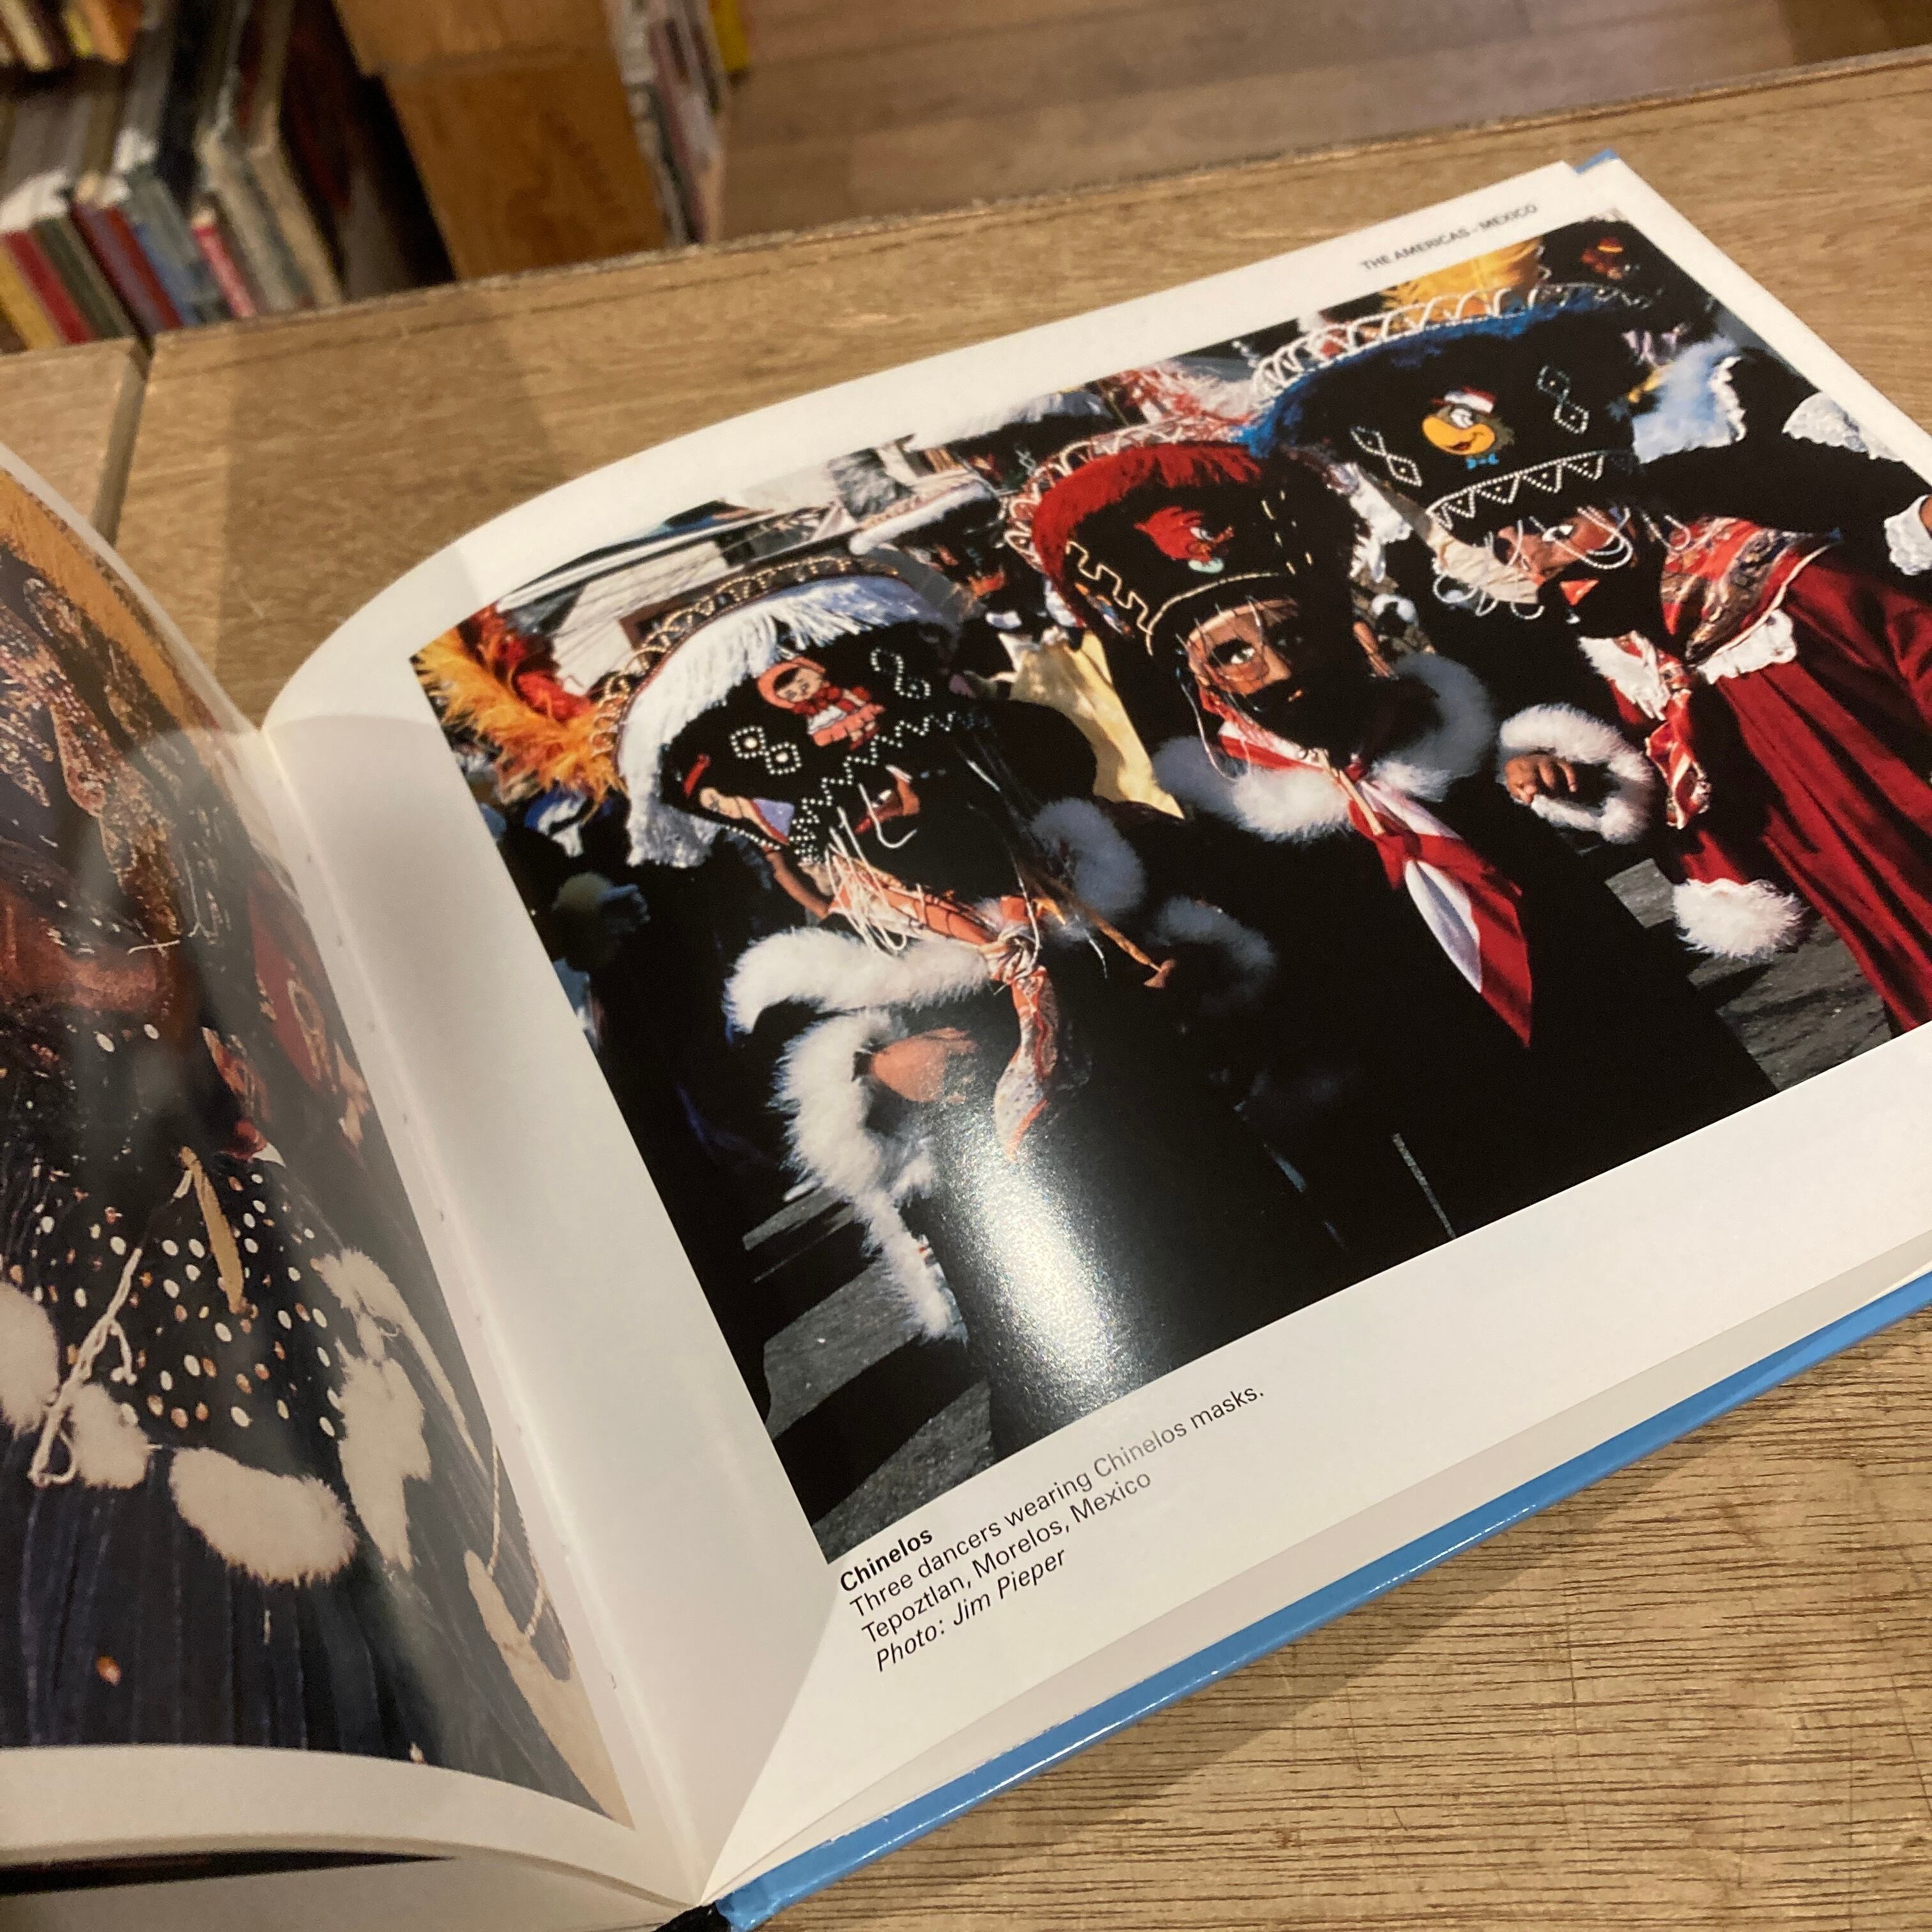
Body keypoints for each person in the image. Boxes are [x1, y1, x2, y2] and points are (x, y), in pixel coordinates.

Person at [602, 555, 1349, 1454]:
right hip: (1017, 1211)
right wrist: (876, 1065)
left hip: (1185, 1151)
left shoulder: (1066, 868)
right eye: (874, 795)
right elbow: (768, 1082)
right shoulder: (822, 959)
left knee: (1271, 1313)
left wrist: (1185, 970)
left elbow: (1185, 942)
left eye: (920, 771)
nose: (905, 796)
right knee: (1093, 1392)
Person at [1015, 436, 1775, 1244]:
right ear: (1205, 683)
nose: (1278, 670)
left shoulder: (1447, 728)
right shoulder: (1237, 820)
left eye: (1291, 637)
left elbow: (1593, 794)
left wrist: (1554, 776)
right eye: (1236, 655)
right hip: (1455, 1087)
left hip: (1605, 1016)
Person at [1253, 284, 1932, 1029]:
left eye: (1549, 529)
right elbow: (1683, 786)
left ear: (1618, 509)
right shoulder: (1633, 652)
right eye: (1505, 546)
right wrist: (1569, 774)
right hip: (1871, 910)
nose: (1533, 563)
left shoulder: (1783, 580)